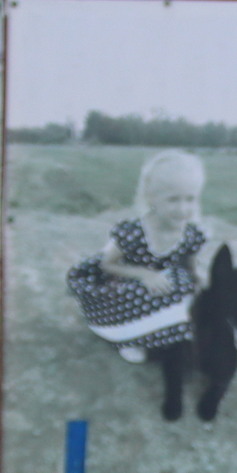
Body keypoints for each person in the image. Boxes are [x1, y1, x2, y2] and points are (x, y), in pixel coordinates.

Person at [66, 149, 206, 365]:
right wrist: (144, 274)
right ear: (152, 198)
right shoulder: (134, 233)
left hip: (162, 283)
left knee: (186, 287)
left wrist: (200, 279)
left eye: (190, 199)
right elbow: (107, 264)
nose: (183, 208)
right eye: (173, 200)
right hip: (127, 283)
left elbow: (190, 267)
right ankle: (128, 337)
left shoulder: (190, 234)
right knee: (136, 293)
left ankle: (164, 329)